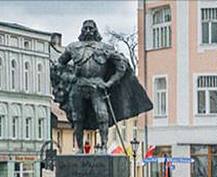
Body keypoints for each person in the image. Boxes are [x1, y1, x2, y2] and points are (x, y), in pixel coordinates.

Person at [52, 19, 152, 153]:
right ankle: (79, 149)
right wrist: (70, 79)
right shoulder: (73, 47)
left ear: (95, 30)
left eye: (91, 28)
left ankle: (104, 146)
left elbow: (121, 66)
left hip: (97, 87)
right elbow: (59, 66)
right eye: (85, 28)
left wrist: (109, 83)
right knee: (77, 118)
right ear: (82, 30)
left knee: (102, 115)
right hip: (79, 86)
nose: (88, 31)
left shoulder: (105, 48)